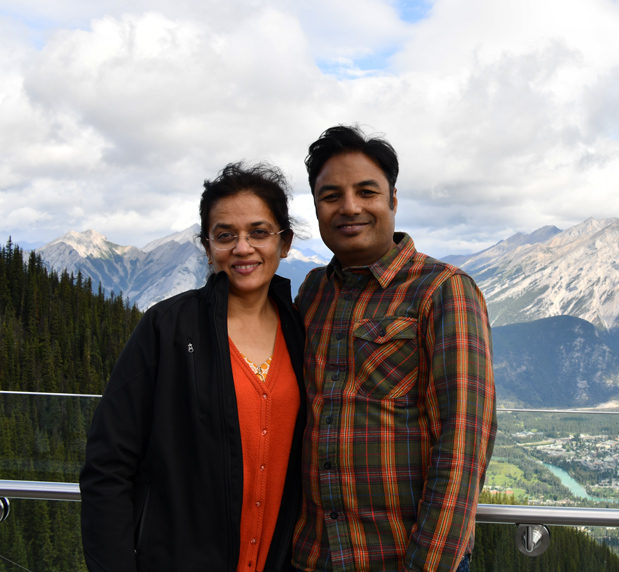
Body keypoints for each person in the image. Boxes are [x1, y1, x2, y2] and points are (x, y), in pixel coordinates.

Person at [80, 163, 306, 572]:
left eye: (258, 232)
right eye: (225, 235)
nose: (242, 247)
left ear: (284, 242)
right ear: (206, 246)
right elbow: (107, 466)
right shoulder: (166, 328)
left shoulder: (303, 331)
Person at [291, 125, 496, 572]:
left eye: (366, 191)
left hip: (399, 560)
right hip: (310, 556)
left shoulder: (443, 290)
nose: (350, 207)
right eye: (331, 196)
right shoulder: (311, 292)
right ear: (317, 207)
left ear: (393, 201)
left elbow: (462, 444)